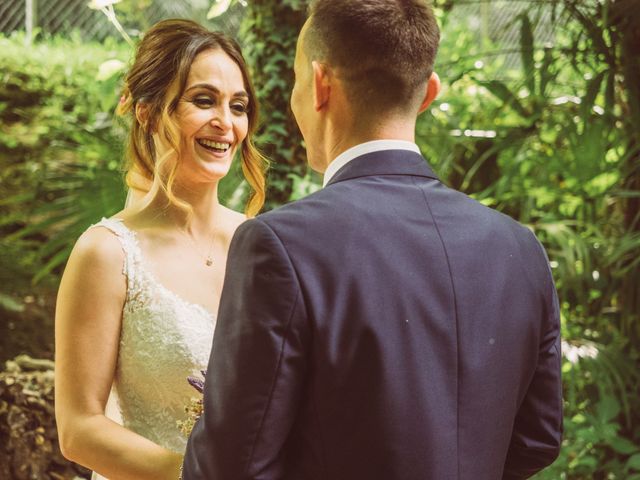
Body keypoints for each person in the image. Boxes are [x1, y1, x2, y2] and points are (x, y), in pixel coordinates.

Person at [182, 0, 563, 479]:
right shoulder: (520, 249)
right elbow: (538, 439)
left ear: (320, 84)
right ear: (429, 93)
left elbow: (230, 467)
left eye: (297, 80)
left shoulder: (281, 244)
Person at [54, 19, 267, 480]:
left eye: (238, 106)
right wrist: (198, 474)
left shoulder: (263, 243)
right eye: (203, 100)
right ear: (147, 111)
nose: (226, 124)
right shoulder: (108, 254)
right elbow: (78, 428)